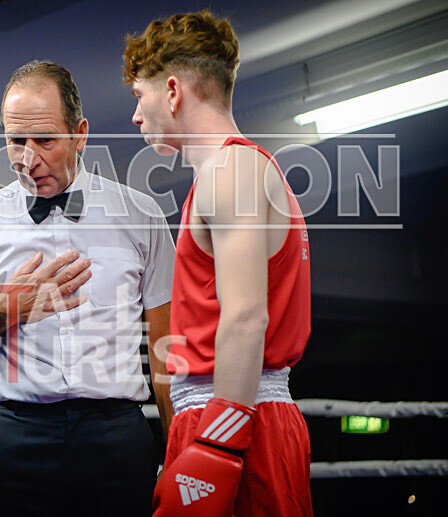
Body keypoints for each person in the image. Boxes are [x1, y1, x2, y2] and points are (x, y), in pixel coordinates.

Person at [0, 60, 176, 516]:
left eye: (45, 139)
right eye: (15, 141)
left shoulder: (140, 216)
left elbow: (167, 346)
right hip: (15, 437)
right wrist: (1, 312)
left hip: (117, 436)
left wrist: (179, 452)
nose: (28, 158)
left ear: (80, 134)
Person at [123, 10, 313, 516]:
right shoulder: (232, 171)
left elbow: (247, 317)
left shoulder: (230, 171)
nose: (136, 117)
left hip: (237, 417)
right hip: (224, 412)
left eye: (139, 98)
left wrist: (219, 446)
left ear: (171, 91)